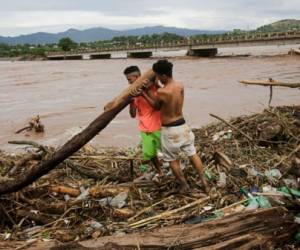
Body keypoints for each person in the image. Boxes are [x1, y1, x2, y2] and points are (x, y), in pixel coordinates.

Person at [148, 59, 209, 193]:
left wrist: (144, 93)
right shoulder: (180, 86)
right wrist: (159, 86)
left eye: (158, 76)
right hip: (183, 126)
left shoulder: (162, 92)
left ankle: (184, 185)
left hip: (170, 130)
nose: (158, 79)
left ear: (163, 76)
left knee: (172, 160)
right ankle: (204, 181)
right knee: (193, 154)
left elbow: (156, 106)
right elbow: (170, 97)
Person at [123, 66, 163, 176]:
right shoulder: (134, 94)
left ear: (137, 77)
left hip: (158, 126)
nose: (128, 83)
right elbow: (132, 115)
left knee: (167, 151)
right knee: (150, 154)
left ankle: (174, 169)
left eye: (129, 80)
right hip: (144, 128)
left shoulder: (152, 88)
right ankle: (160, 171)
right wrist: (131, 101)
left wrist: (143, 94)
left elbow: (156, 106)